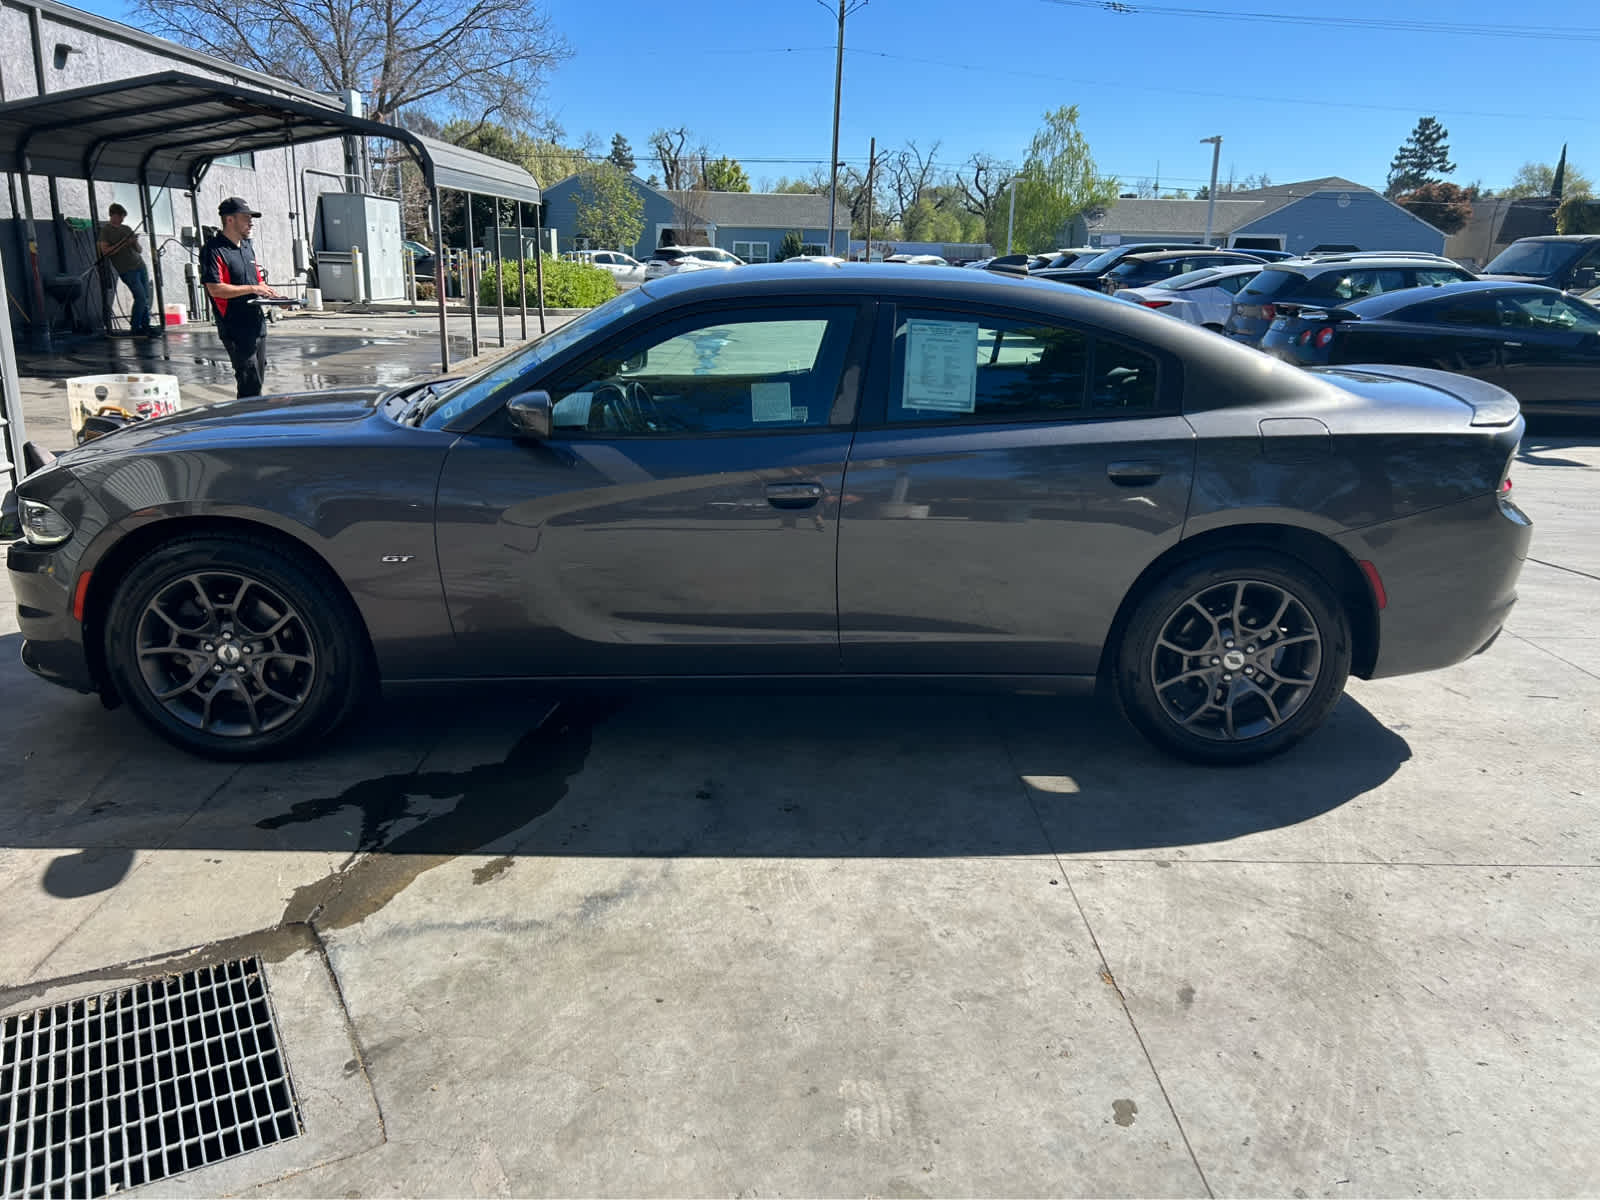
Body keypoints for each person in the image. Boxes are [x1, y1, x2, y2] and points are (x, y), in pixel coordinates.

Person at [201, 196, 283, 398]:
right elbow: (215, 289)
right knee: (248, 381)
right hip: (234, 326)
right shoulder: (213, 250)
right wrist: (252, 288)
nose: (250, 222)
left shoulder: (247, 247)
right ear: (230, 220)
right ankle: (246, 425)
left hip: (256, 323)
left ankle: (255, 420)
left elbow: (258, 283)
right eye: (245, 218)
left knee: (258, 378)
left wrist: (277, 298)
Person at [97, 203, 153, 335]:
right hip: (127, 270)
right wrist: (123, 243)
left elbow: (139, 250)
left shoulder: (127, 228)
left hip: (140, 265)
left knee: (145, 296)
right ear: (113, 215)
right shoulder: (106, 231)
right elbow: (105, 252)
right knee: (140, 297)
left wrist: (134, 242)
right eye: (121, 217)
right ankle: (135, 327)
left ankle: (146, 325)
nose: (122, 220)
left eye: (123, 217)